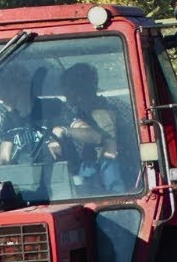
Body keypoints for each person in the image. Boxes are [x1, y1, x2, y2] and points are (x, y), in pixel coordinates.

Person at [48, 62, 133, 193]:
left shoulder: (105, 110)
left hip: (113, 173)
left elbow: (109, 146)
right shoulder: (78, 112)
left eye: (67, 88)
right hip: (90, 169)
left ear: (78, 89)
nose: (65, 94)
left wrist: (64, 131)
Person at [0, 64, 45, 164]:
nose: (1, 97)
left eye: (5, 89)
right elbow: (5, 157)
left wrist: (63, 131)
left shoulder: (49, 108)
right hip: (23, 175)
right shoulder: (9, 118)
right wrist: (4, 165)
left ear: (21, 87)